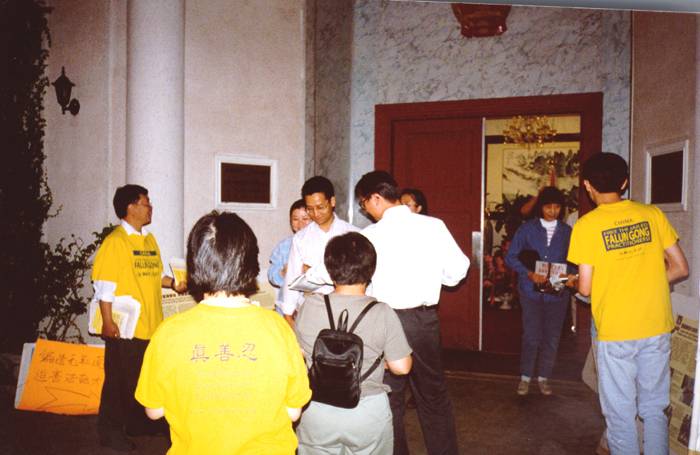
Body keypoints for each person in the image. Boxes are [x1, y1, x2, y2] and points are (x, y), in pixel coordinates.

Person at [135, 211, 312, 454]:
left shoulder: (168, 333)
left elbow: (154, 411)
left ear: (194, 265)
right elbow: (293, 412)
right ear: (251, 264)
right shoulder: (278, 328)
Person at [568, 153, 688, 455]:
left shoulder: (586, 225)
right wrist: (646, 281)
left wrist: (575, 283)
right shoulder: (652, 214)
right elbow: (680, 268)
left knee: (620, 414)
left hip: (616, 331)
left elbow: (585, 287)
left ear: (587, 186)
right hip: (656, 326)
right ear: (624, 182)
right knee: (654, 409)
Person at [355, 170, 470, 455]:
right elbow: (458, 271)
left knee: (389, 397)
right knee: (433, 395)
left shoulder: (369, 236)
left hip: (384, 321)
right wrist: (432, 278)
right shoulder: (433, 226)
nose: (366, 211)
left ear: (376, 198)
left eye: (364, 204)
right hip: (422, 320)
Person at [294, 232, 413, 454]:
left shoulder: (309, 306)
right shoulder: (382, 312)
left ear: (330, 269)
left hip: (317, 409)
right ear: (371, 270)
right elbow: (402, 367)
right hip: (366, 412)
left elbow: (299, 352)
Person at [92, 184, 186, 451]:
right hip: (125, 328)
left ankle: (138, 425)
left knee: (142, 379)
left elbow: (155, 275)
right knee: (119, 382)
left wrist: (173, 283)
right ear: (130, 207)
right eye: (146, 203)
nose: (150, 207)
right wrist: (107, 321)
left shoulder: (149, 240)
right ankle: (110, 432)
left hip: (151, 324)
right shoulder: (115, 242)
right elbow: (104, 285)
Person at [505, 186, 577, 396]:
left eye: (557, 207)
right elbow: (511, 257)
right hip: (530, 291)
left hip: (557, 292)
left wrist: (568, 276)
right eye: (548, 207)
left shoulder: (567, 232)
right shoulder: (527, 229)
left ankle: (544, 378)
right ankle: (525, 377)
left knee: (552, 337)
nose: (552, 211)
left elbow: (575, 262)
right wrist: (528, 273)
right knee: (531, 335)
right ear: (540, 207)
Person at [281, 176, 358, 326]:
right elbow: (292, 277)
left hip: (346, 310)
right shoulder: (301, 238)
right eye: (310, 209)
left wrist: (313, 272)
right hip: (311, 309)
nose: (315, 214)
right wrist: (288, 314)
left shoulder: (353, 234)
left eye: (320, 207)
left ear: (332, 202)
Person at [268, 199, 311, 314]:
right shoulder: (284, 246)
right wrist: (282, 272)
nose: (300, 224)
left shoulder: (319, 244)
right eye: (295, 219)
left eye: (305, 219)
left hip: (311, 306)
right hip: (286, 306)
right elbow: (271, 274)